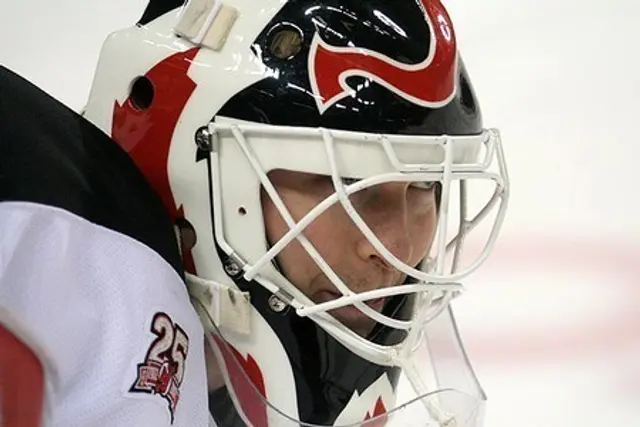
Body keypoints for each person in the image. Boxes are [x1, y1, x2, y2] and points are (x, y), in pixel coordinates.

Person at [0, 0, 510, 426]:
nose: (397, 250)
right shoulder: (46, 268)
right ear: (192, 167)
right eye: (352, 185)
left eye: (424, 184)